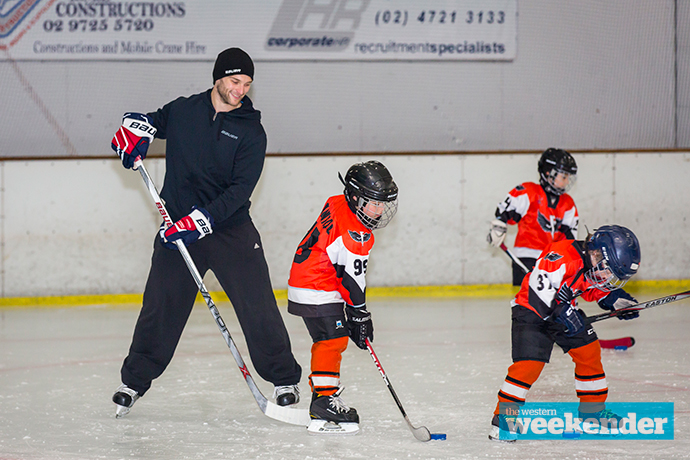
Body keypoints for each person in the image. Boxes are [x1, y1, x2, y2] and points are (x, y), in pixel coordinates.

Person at [109, 47, 302, 417]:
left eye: (246, 83)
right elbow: (143, 123)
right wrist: (130, 135)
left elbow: (239, 191)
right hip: (176, 229)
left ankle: (283, 379)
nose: (240, 89)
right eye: (234, 81)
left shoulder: (251, 132)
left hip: (229, 230)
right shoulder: (184, 110)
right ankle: (133, 382)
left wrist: (199, 222)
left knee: (258, 305)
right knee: (160, 307)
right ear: (217, 78)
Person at [489, 225, 642, 442]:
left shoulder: (592, 262)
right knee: (528, 366)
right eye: (608, 270)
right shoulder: (561, 256)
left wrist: (614, 300)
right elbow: (538, 294)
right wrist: (564, 313)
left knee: (589, 353)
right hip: (531, 311)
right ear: (597, 253)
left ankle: (592, 413)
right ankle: (503, 419)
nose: (608, 277)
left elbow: (590, 286)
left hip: (564, 310)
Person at [286, 161, 398, 434]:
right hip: (316, 287)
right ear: (356, 198)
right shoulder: (356, 235)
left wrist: (355, 311)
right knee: (332, 340)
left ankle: (322, 397)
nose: (380, 210)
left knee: (329, 340)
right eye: (374, 203)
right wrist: (359, 312)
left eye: (382, 203)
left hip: (311, 280)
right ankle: (324, 401)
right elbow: (352, 279)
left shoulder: (338, 202)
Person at [488, 148, 579, 286]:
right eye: (563, 177)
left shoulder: (568, 204)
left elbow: (569, 239)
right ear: (548, 173)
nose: (566, 182)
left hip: (552, 261)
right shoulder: (529, 192)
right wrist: (499, 226)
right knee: (525, 303)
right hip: (526, 257)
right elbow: (504, 212)